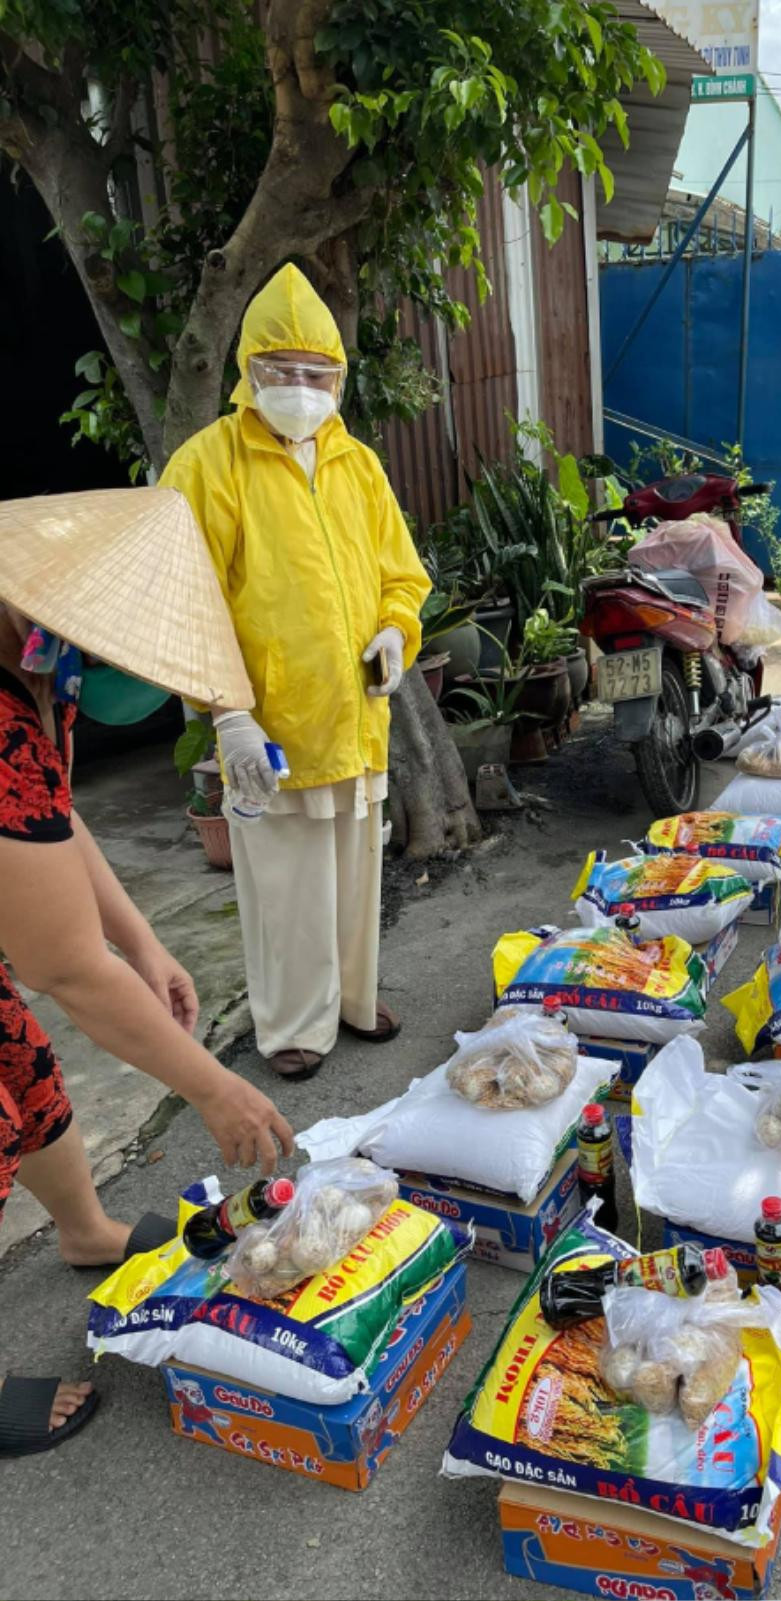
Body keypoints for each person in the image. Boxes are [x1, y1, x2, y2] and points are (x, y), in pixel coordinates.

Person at [0, 492, 293, 1459]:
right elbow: (64, 966)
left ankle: (83, 1229)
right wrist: (216, 1089)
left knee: (26, 1073)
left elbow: (54, 817)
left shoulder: (40, 669)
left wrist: (146, 941)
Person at [161, 265, 431, 1082]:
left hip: (355, 716)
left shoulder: (358, 464)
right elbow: (182, 595)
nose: (303, 389)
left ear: (339, 379)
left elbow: (402, 575)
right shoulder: (209, 465)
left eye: (319, 375)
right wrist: (225, 711)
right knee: (285, 890)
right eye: (284, 372)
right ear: (250, 373)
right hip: (267, 728)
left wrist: (394, 632)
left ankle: (351, 998)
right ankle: (292, 1027)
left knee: (353, 872)